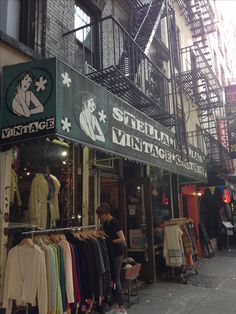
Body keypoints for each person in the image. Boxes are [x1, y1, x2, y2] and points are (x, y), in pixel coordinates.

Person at [96, 203, 127, 314]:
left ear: (105, 214)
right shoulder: (106, 223)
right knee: (113, 278)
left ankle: (122, 306)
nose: (100, 219)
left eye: (100, 216)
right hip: (112, 254)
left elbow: (122, 239)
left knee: (116, 278)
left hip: (117, 254)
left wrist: (111, 241)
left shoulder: (114, 222)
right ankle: (115, 302)